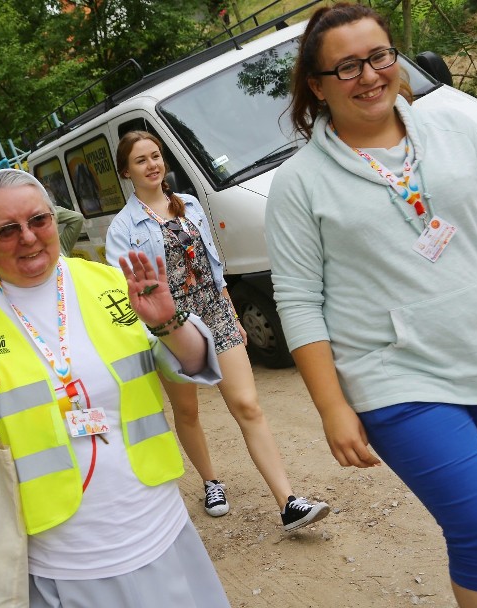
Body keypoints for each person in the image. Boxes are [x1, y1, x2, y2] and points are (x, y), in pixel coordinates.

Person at [264, 4, 477, 606]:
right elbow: (299, 302)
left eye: (380, 56)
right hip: (398, 383)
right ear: (317, 85)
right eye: (348, 66)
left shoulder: (453, 130)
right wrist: (333, 407)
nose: (369, 75)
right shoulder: (299, 184)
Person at [0, 169, 230, 607]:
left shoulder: (108, 282)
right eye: (7, 230)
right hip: (63, 554)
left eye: (39, 220)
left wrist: (168, 322)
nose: (29, 238)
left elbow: (190, 363)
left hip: (157, 522)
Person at [106, 130, 329, 530]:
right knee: (188, 411)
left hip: (214, 310)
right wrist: (156, 325)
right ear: (126, 171)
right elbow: (127, 289)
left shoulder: (188, 204)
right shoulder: (123, 228)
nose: (152, 165)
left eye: (155, 156)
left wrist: (230, 310)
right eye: (141, 160)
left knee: (248, 405)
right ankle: (211, 481)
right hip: (172, 325)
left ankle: (288, 501)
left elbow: (213, 265)